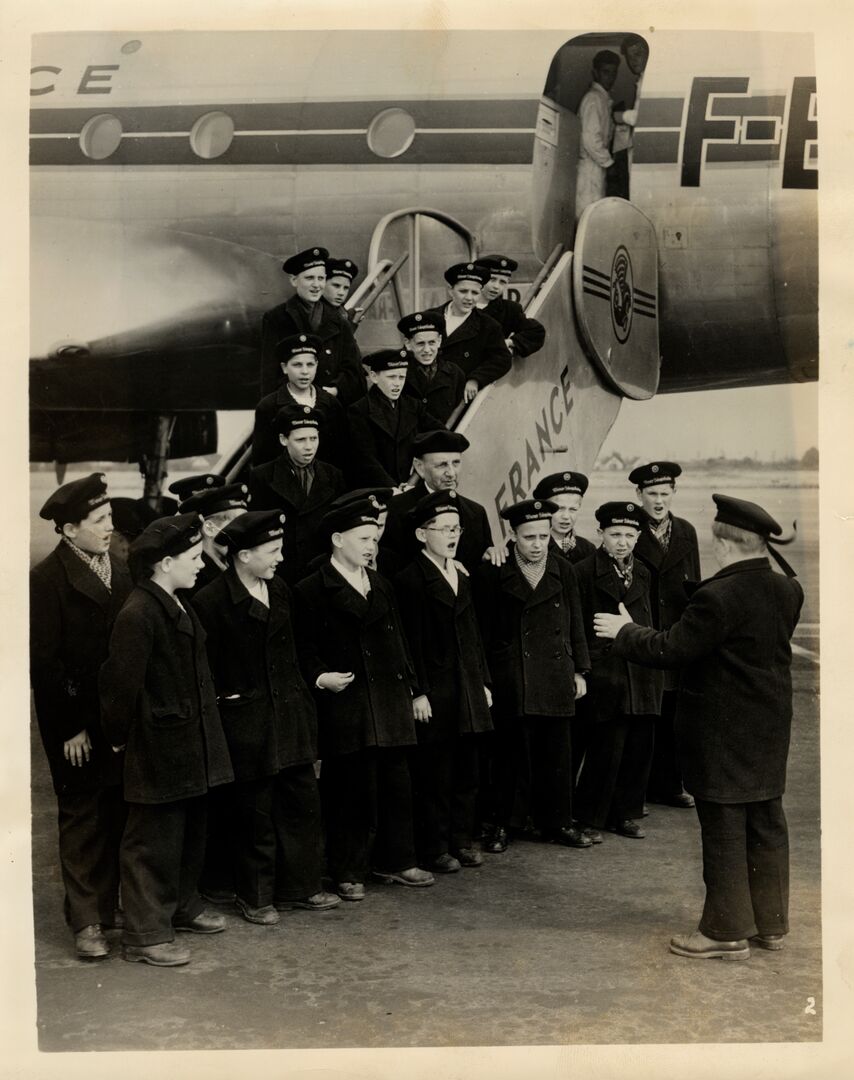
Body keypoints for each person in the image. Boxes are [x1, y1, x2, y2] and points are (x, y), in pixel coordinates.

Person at [594, 494, 803, 960]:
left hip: (722, 730)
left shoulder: (718, 595)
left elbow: (671, 649)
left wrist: (623, 631)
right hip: (769, 726)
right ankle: (770, 925)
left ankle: (724, 932)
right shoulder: (788, 589)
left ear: (726, 543)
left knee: (725, 823)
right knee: (766, 821)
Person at [100, 513, 234, 967]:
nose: (202, 565)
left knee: (187, 829)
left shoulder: (175, 601)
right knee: (151, 839)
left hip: (185, 743)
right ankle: (144, 934)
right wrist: (119, 739)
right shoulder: (139, 613)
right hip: (158, 745)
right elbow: (120, 686)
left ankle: (180, 904)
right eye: (194, 558)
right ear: (163, 564)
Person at [193, 511, 339, 925]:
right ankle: (254, 895)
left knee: (300, 802)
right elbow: (209, 669)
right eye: (272, 551)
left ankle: (302, 887)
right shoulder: (211, 602)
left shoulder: (282, 591)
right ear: (242, 555)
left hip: (289, 715)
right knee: (253, 811)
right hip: (247, 721)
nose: (280, 558)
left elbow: (293, 655)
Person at [293, 498, 434, 900]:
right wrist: (320, 677)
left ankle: (397, 860)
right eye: (363, 539)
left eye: (374, 538)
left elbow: (400, 643)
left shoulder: (381, 584)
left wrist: (414, 689)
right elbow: (301, 648)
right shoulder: (312, 589)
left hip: (388, 701)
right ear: (337, 540)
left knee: (396, 785)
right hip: (347, 704)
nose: (372, 546)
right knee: (350, 791)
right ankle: (347, 870)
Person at [30, 473, 133, 960]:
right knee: (81, 817)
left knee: (114, 809)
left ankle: (108, 908)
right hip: (73, 722)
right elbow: (45, 664)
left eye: (109, 517)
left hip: (112, 717)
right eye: (99, 521)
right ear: (70, 530)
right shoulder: (46, 579)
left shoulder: (118, 566)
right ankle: (86, 921)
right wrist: (70, 727)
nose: (109, 527)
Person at [473, 499, 591, 853]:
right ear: (512, 535)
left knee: (556, 751)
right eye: (529, 537)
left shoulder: (562, 569)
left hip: (555, 671)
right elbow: (480, 629)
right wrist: (485, 678)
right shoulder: (494, 570)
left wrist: (581, 669)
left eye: (543, 535)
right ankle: (503, 823)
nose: (538, 544)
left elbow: (575, 623)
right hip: (512, 674)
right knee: (511, 752)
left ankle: (556, 822)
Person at [393, 491, 494, 872]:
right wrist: (417, 691)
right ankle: (434, 847)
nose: (453, 536)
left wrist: (482, 682)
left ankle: (461, 840)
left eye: (457, 528)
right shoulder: (410, 580)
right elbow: (410, 643)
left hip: (466, 688)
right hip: (436, 691)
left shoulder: (460, 575)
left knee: (467, 769)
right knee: (435, 772)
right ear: (422, 534)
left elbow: (473, 637)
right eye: (444, 529)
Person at [573, 501, 662, 842]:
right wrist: (586, 666)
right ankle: (589, 817)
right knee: (605, 747)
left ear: (638, 537)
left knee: (637, 747)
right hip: (605, 671)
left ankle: (624, 814)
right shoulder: (583, 572)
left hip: (639, 671)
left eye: (628, 534)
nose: (622, 542)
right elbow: (577, 626)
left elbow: (650, 620)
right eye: (614, 534)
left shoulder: (643, 572)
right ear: (600, 535)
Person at [628, 461, 701, 809]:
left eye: (664, 493)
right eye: (651, 494)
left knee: (673, 711)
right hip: (644, 632)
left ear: (674, 493)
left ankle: (671, 784)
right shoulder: (629, 530)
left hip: (675, 634)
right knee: (645, 712)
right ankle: (638, 789)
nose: (658, 501)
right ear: (638, 494)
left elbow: (694, 587)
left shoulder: (686, 531)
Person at [249, 404, 345, 583]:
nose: (309, 447)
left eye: (313, 438)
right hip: (282, 572)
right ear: (283, 440)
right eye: (300, 440)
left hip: (321, 572)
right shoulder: (263, 477)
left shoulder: (333, 476)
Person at [382, 429, 500, 573]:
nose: (451, 473)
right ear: (419, 467)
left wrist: (486, 558)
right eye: (442, 465)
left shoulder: (477, 512)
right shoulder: (397, 508)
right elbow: (391, 568)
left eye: (456, 463)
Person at [260, 246, 364, 403]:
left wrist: (336, 389)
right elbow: (270, 373)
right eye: (309, 278)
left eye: (321, 278)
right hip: (294, 408)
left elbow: (352, 368)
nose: (317, 285)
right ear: (294, 280)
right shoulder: (276, 318)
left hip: (331, 406)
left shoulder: (339, 320)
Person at [346, 349, 444, 487]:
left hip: (410, 486)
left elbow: (441, 434)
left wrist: (420, 460)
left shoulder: (413, 406)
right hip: (377, 489)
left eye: (401, 377)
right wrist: (392, 488)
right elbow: (366, 459)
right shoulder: (359, 411)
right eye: (391, 377)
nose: (397, 383)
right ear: (374, 377)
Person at [251, 333, 347, 467]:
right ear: (285, 368)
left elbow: (342, 454)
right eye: (297, 365)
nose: (305, 371)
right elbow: (262, 459)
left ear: (317, 365)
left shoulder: (331, 404)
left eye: (310, 364)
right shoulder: (269, 406)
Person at [423, 262, 511, 405]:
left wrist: (475, 379)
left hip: (455, 399)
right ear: (450, 290)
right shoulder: (429, 317)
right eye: (463, 291)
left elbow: (502, 359)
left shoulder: (488, 325)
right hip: (424, 395)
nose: (469, 298)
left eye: (475, 293)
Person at [177, 482, 250, 595]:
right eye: (237, 524)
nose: (245, 532)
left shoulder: (234, 564)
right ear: (210, 528)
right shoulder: (195, 580)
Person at [397, 311, 466, 424]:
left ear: (439, 341)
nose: (427, 350)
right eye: (420, 343)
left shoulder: (455, 373)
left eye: (432, 342)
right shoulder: (397, 372)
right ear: (408, 344)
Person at [576, 50, 620, 220]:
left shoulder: (602, 99)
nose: (610, 78)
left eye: (613, 73)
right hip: (589, 170)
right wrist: (609, 164)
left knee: (593, 217)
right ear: (595, 72)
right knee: (588, 219)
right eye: (605, 72)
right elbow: (590, 140)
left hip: (596, 168)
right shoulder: (593, 99)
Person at [475, 255, 545, 360]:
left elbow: (536, 332)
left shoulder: (510, 309)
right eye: (492, 279)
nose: (496, 286)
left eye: (502, 282)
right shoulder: (459, 307)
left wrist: (510, 342)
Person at [607, 35, 648, 200]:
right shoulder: (641, 80)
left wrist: (621, 116)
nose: (633, 61)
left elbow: (646, 116)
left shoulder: (647, 81)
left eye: (637, 54)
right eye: (630, 57)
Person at [531, 471, 596, 565]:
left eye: (573, 509)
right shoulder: (534, 546)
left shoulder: (588, 549)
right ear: (545, 510)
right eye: (560, 509)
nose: (566, 516)